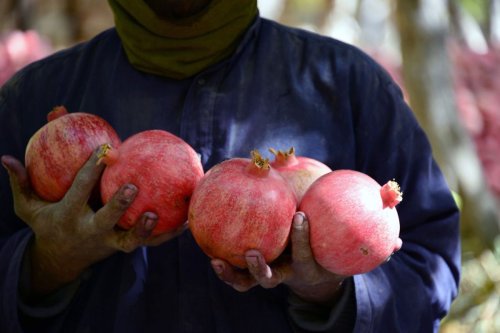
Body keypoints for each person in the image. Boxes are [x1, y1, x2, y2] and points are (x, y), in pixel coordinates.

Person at [0, 0, 460, 332]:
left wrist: (330, 291)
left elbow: (431, 263)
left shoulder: (350, 85)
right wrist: (49, 263)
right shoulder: (30, 98)